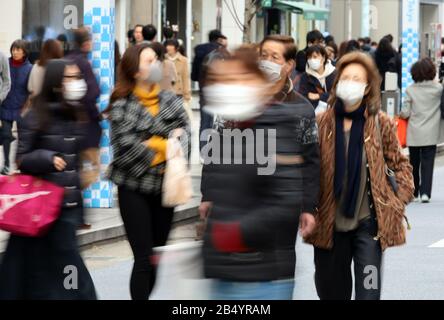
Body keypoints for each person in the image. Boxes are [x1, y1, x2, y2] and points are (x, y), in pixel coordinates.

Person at [200, 44, 319, 300]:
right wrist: (208, 199)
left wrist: (234, 232)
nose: (225, 87)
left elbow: (290, 189)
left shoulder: (288, 117)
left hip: (263, 273)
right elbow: (214, 163)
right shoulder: (229, 121)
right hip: (224, 270)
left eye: (234, 80)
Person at [305, 52, 414, 300]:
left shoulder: (381, 123)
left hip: (369, 228)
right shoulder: (320, 123)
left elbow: (401, 165)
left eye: (357, 79)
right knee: (332, 293)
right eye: (346, 77)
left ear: (367, 88)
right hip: (328, 226)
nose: (350, 83)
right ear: (337, 81)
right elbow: (306, 168)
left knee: (369, 292)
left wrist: (398, 202)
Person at [0, 59, 97, 299]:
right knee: (66, 262)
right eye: (70, 78)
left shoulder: (75, 113)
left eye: (78, 78)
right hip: (44, 204)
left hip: (69, 205)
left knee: (55, 263)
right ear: (55, 83)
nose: (77, 83)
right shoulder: (35, 115)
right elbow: (21, 159)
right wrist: (49, 157)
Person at [105, 43, 190, 300]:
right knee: (143, 258)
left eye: (156, 59)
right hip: (133, 189)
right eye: (148, 61)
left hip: (166, 189)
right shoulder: (121, 104)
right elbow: (125, 150)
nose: (155, 65)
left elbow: (186, 137)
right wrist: (167, 144)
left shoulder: (170, 100)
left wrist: (152, 142)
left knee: (156, 258)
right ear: (134, 70)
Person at [400, 58, 443, 203]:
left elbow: (405, 112)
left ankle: (415, 191)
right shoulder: (438, 89)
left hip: (414, 132)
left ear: (414, 73)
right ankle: (425, 193)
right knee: (428, 163)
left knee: (414, 163)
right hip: (431, 132)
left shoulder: (410, 90)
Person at [66, 27, 102, 193]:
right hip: (85, 123)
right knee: (92, 168)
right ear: (86, 43)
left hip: (68, 123)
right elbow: (94, 91)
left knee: (74, 165)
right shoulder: (83, 63)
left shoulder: (66, 60)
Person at [191, 29, 227, 153]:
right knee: (221, 121)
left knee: (205, 122)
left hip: (205, 91)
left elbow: (194, 75)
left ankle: (203, 151)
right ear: (219, 39)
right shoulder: (223, 52)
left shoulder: (199, 51)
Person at [0, 40, 32, 175]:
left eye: (18, 49)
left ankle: (20, 164)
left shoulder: (30, 68)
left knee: (23, 138)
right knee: (6, 135)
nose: (15, 52)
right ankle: (7, 164)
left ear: (24, 52)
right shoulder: (5, 62)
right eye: (13, 49)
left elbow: (31, 90)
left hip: (21, 107)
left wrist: (27, 106)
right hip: (5, 105)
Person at [298, 45, 336, 110]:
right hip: (314, 112)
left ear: (323, 58)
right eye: (309, 58)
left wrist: (319, 96)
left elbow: (337, 93)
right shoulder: (306, 76)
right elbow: (303, 97)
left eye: (315, 57)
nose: (312, 60)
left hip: (333, 111)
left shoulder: (334, 73)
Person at [165, 39, 192, 120]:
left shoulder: (183, 60)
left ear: (176, 48)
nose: (168, 47)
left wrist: (187, 95)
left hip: (178, 94)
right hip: (165, 94)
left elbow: (185, 77)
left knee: (178, 118)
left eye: (171, 45)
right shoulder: (163, 59)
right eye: (167, 45)